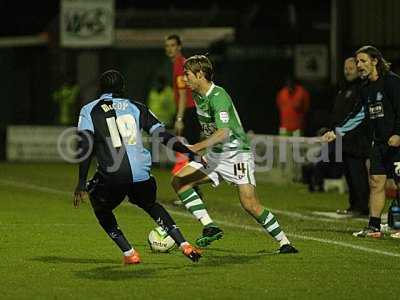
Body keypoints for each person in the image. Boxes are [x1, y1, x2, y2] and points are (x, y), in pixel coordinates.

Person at [171, 55, 298, 253]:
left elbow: (223, 132)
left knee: (249, 204)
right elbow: (210, 128)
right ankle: (209, 226)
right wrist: (206, 150)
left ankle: (285, 243)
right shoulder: (197, 95)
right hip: (215, 156)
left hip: (236, 155)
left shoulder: (218, 96)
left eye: (187, 75)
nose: (184, 78)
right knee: (180, 181)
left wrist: (197, 147)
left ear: (200, 74)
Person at [73, 69, 202, 264]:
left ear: (100, 89)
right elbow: (162, 136)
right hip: (142, 173)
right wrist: (189, 152)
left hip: (113, 175)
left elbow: (85, 147)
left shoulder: (89, 109)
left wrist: (81, 182)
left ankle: (129, 253)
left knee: (101, 207)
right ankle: (184, 244)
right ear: (123, 88)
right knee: (151, 204)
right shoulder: (137, 107)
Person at [322, 46, 400, 237]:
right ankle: (374, 226)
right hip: (379, 143)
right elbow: (358, 114)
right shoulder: (365, 88)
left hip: (397, 143)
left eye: (363, 61)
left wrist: (398, 133)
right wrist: (337, 131)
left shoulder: (392, 82)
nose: (359, 65)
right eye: (357, 61)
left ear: (375, 61)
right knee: (376, 182)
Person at [331, 57, 370, 216]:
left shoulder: (361, 88)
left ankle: (361, 206)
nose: (347, 71)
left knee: (357, 172)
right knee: (349, 173)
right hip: (343, 139)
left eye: (351, 68)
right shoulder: (344, 88)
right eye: (345, 68)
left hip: (356, 139)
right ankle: (354, 205)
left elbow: (359, 116)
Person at [165, 34, 202, 174]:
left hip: (189, 112)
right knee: (190, 151)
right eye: (167, 46)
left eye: (173, 45)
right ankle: (193, 189)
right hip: (190, 111)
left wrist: (179, 119)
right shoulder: (181, 63)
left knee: (189, 152)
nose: (170, 49)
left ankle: (192, 189)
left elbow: (183, 95)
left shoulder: (180, 65)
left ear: (179, 47)